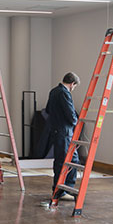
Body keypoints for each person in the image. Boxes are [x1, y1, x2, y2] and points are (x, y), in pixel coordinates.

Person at [46, 72, 80, 201]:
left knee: (61, 160)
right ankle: (64, 189)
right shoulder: (65, 93)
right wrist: (75, 122)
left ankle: (59, 188)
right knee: (70, 161)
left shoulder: (53, 91)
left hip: (56, 130)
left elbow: (48, 109)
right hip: (65, 132)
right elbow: (71, 114)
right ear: (72, 84)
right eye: (74, 86)